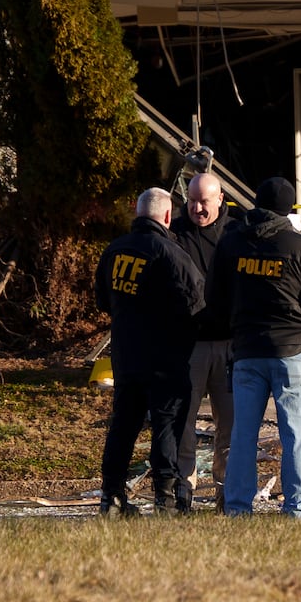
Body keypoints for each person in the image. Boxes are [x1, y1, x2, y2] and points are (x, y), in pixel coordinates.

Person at [209, 177, 301, 519]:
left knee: (243, 435)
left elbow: (214, 298)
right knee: (294, 435)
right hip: (291, 350)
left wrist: (235, 324)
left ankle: (237, 507)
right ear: (289, 209)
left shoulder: (231, 244)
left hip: (246, 350)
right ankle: (298, 508)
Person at [94, 187, 205, 516]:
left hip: (126, 356)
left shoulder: (115, 250)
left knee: (123, 426)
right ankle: (165, 499)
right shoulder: (170, 253)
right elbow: (198, 304)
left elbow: (103, 300)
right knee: (166, 425)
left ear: (138, 212)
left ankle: (111, 497)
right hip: (165, 358)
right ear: (168, 216)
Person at [171, 172, 238, 512]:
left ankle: (227, 491)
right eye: (192, 201)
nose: (197, 208)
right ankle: (184, 488)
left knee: (230, 423)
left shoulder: (236, 234)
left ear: (220, 199)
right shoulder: (175, 233)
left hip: (229, 343)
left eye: (204, 202)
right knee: (183, 419)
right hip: (190, 344)